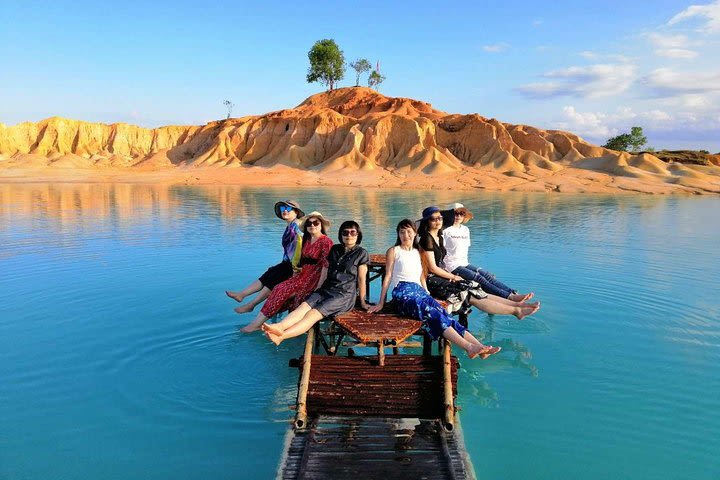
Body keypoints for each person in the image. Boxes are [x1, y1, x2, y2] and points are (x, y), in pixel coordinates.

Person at [368, 219, 501, 360]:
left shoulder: (418, 252)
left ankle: (479, 346)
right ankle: (469, 347)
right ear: (398, 234)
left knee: (444, 314)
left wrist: (427, 293)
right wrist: (381, 303)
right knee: (432, 313)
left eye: (408, 231)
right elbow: (388, 277)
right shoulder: (394, 251)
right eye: (402, 232)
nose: (405, 235)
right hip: (403, 292)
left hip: (419, 291)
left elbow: (421, 276)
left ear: (414, 233)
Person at [418, 206, 539, 320]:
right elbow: (432, 268)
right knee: (469, 293)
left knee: (474, 287)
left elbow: (439, 264)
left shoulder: (438, 236)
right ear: (427, 222)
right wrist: (453, 276)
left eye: (440, 218)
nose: (438, 221)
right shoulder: (427, 239)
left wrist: (449, 276)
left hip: (442, 275)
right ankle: (516, 311)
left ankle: (516, 305)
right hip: (432, 280)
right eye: (433, 219)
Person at [263, 221, 370, 345]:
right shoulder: (335, 249)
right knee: (303, 307)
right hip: (326, 289)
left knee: (312, 314)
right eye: (345, 232)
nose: (349, 235)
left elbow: (362, 279)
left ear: (358, 235)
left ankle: (282, 337)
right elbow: (325, 269)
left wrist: (362, 302)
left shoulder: (361, 253)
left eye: (353, 232)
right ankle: (280, 326)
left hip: (343, 294)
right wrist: (318, 288)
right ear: (341, 234)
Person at [239, 212, 334, 333]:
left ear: (321, 225)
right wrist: (296, 272)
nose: (312, 225)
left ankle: (264, 324)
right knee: (278, 288)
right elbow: (302, 260)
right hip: (303, 275)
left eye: (316, 223)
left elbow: (326, 266)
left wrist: (319, 287)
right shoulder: (307, 239)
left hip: (315, 278)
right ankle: (258, 323)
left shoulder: (326, 242)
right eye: (309, 223)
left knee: (285, 293)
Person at [442, 202, 533, 302]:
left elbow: (464, 250)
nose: (458, 216)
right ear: (449, 215)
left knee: (487, 275)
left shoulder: (465, 230)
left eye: (461, 214)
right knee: (479, 278)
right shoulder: (445, 230)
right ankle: (509, 297)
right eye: (455, 213)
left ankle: (513, 292)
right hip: (451, 265)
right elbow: (440, 250)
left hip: (464, 263)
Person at [226, 200, 304, 314]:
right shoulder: (289, 226)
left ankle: (251, 305)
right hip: (287, 262)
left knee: (274, 278)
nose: (285, 211)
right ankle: (241, 294)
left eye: (288, 209)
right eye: (283, 209)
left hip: (295, 265)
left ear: (296, 212)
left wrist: (297, 268)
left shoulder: (297, 225)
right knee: (269, 273)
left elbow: (302, 243)